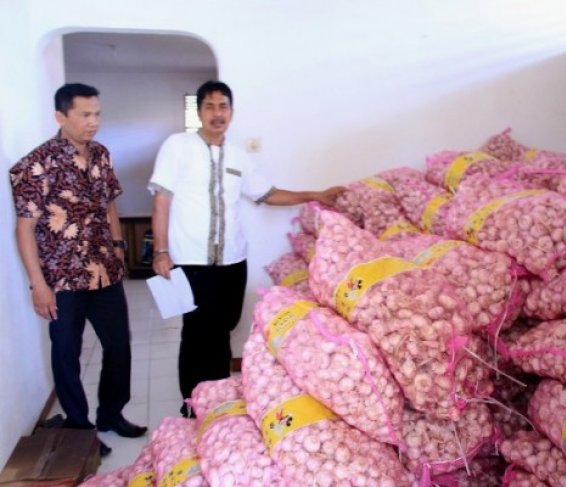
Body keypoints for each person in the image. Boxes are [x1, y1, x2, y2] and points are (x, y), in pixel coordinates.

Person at [149, 80, 344, 416]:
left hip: (232, 260)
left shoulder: (238, 155)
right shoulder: (177, 146)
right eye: (209, 106)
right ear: (199, 112)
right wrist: (161, 251)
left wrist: (314, 194)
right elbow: (162, 200)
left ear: (232, 112)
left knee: (224, 327)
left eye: (223, 106)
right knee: (197, 331)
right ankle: (193, 402)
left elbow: (266, 194)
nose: (217, 113)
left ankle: (220, 396)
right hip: (190, 259)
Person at [9, 83, 147, 456]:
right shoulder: (35, 165)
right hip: (62, 279)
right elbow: (24, 228)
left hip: (105, 271)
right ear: (61, 117)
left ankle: (111, 414)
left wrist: (119, 246)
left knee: (119, 346)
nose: (94, 122)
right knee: (66, 353)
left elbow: (109, 206)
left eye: (97, 114)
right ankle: (80, 428)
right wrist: (38, 285)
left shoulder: (102, 155)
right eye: (85, 115)